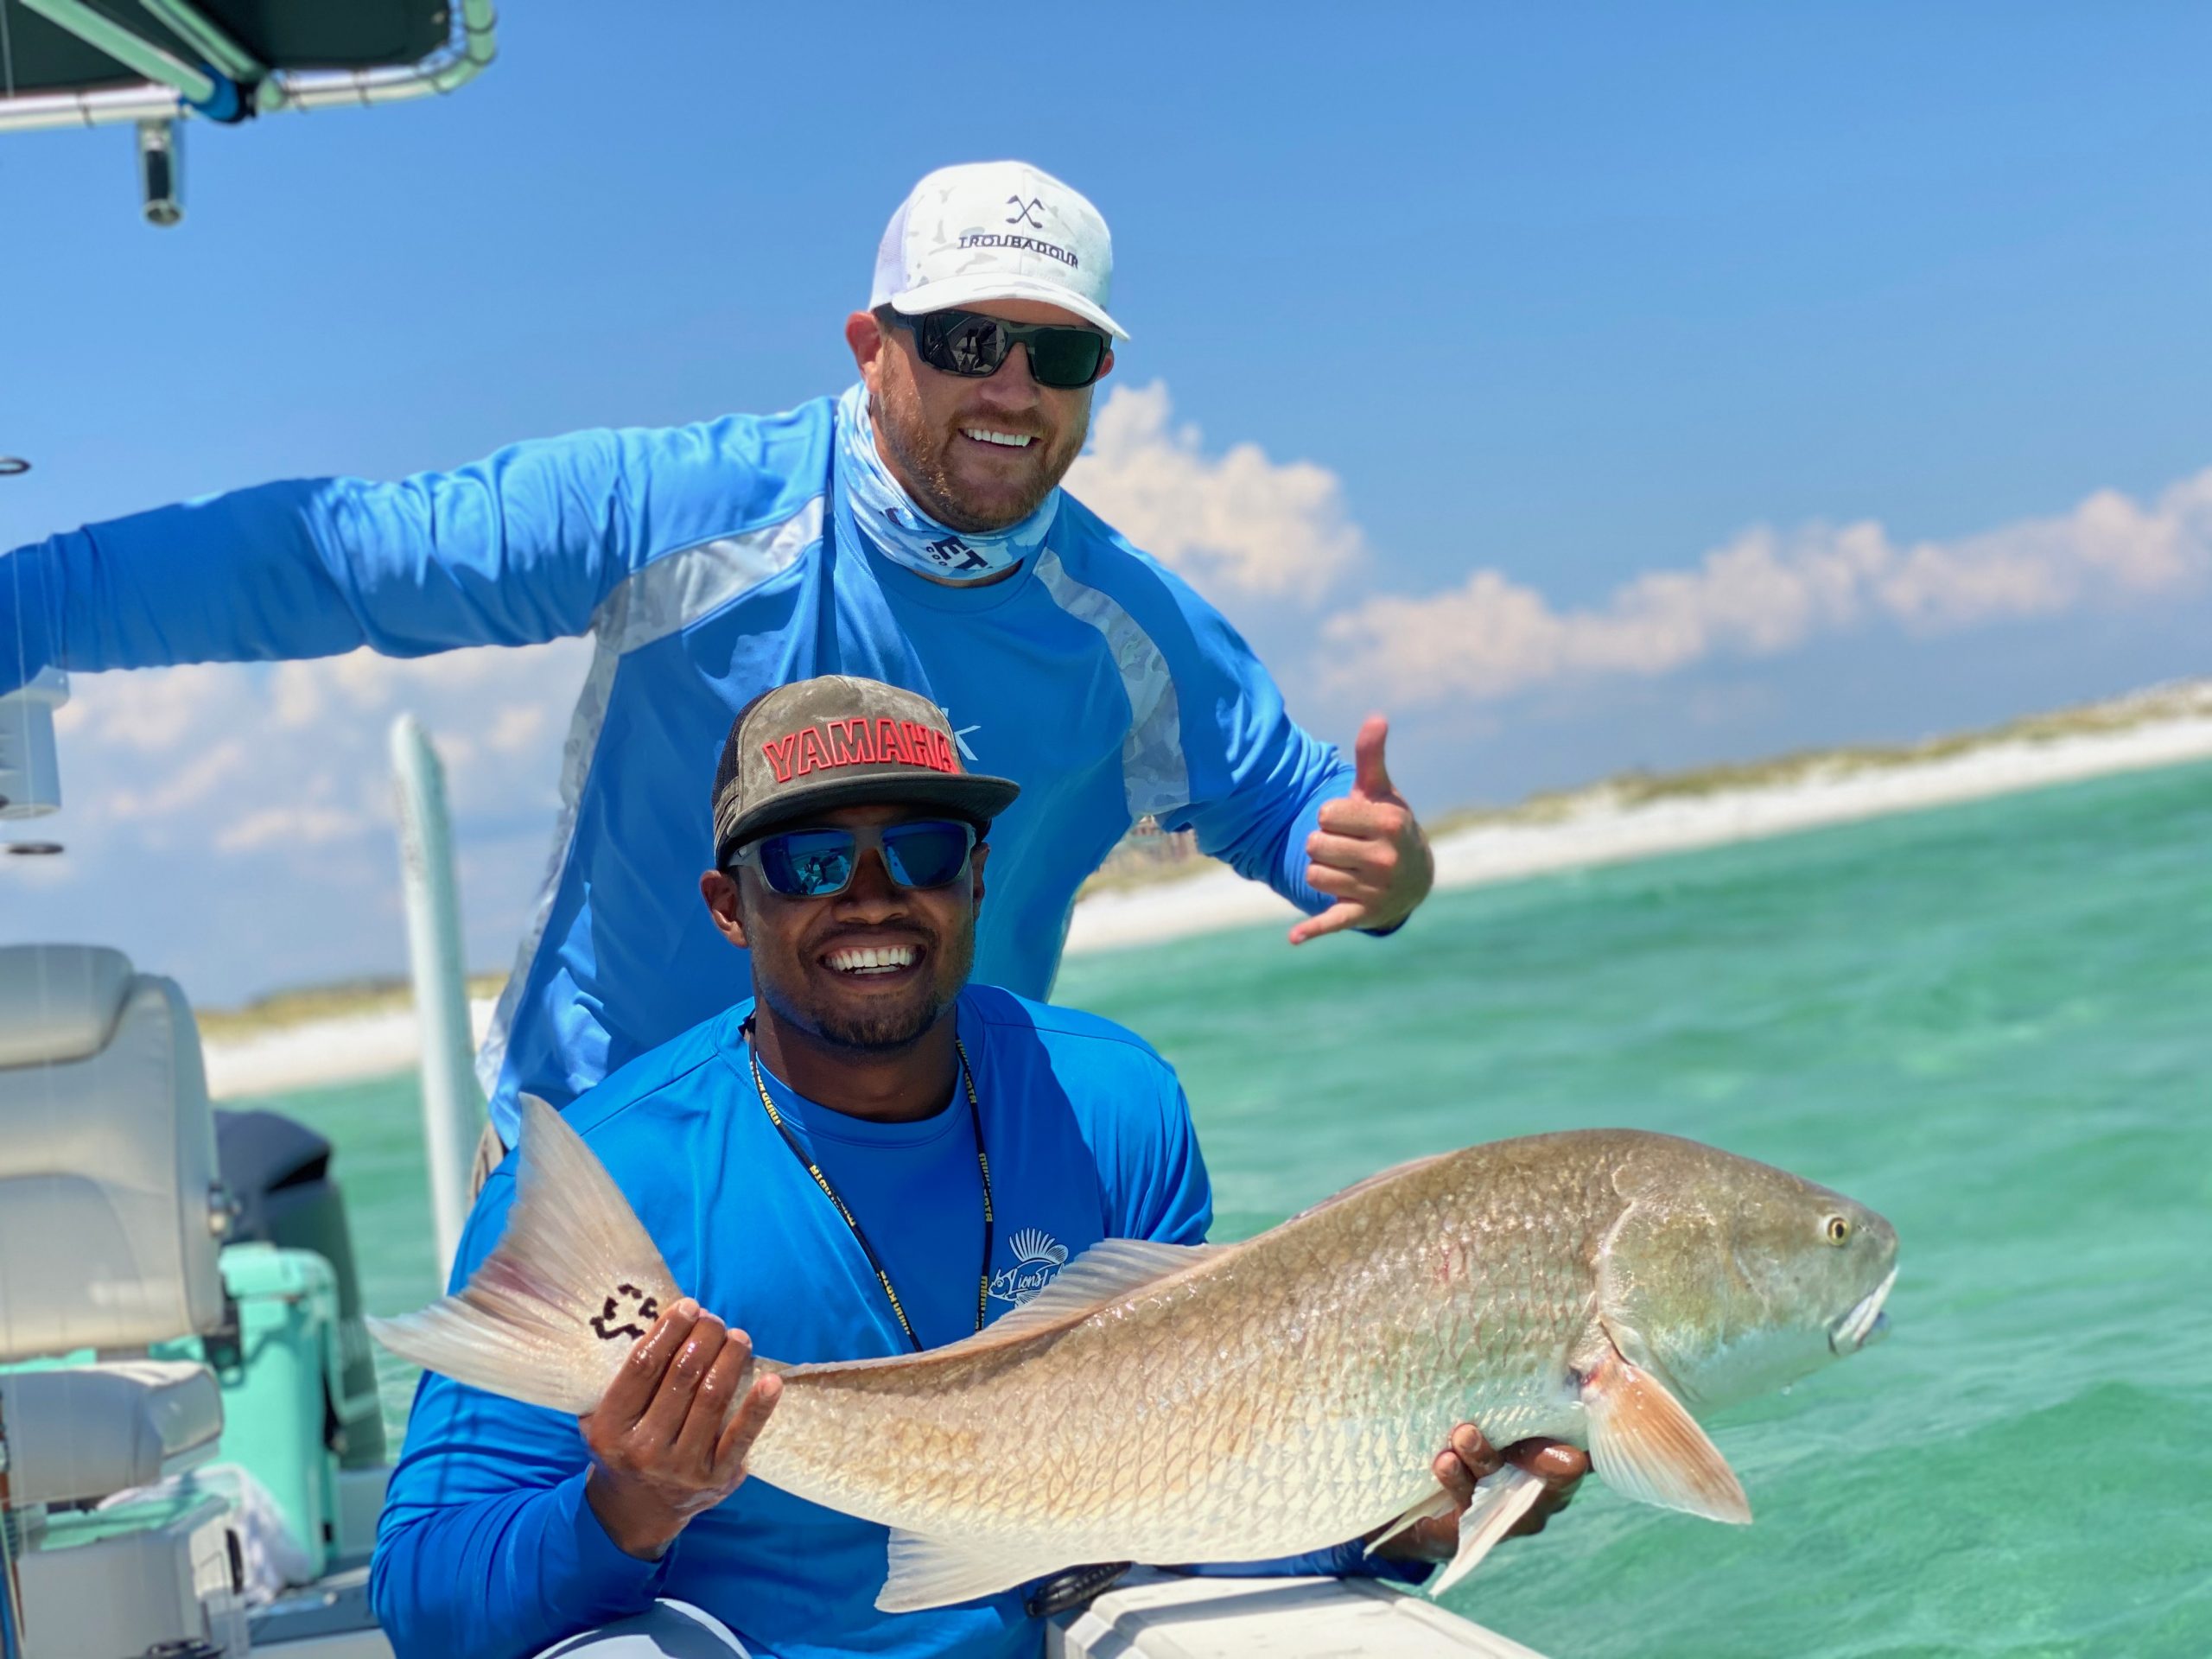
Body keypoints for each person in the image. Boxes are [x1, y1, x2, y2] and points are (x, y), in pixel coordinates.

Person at [0, 159, 1435, 1152]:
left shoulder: (1134, 632)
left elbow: (1289, 810)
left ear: (1098, 383)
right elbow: (340, 559)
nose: (1013, 388)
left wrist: (1380, 868)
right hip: (602, 1175)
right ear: (875, 345)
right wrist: (28, 608)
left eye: (1057, 357)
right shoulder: (682, 511)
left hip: (924, 1183)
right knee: (499, 1582)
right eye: (967, 339)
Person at [371, 677, 1580, 1659]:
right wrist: (627, 1507)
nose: (873, 897)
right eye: (806, 862)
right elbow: (423, 1598)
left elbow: (1177, 1506)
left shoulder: (1113, 1104)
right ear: (729, 907)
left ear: (980, 877)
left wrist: (1398, 1520)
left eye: (922, 848)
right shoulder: (619, 1174)